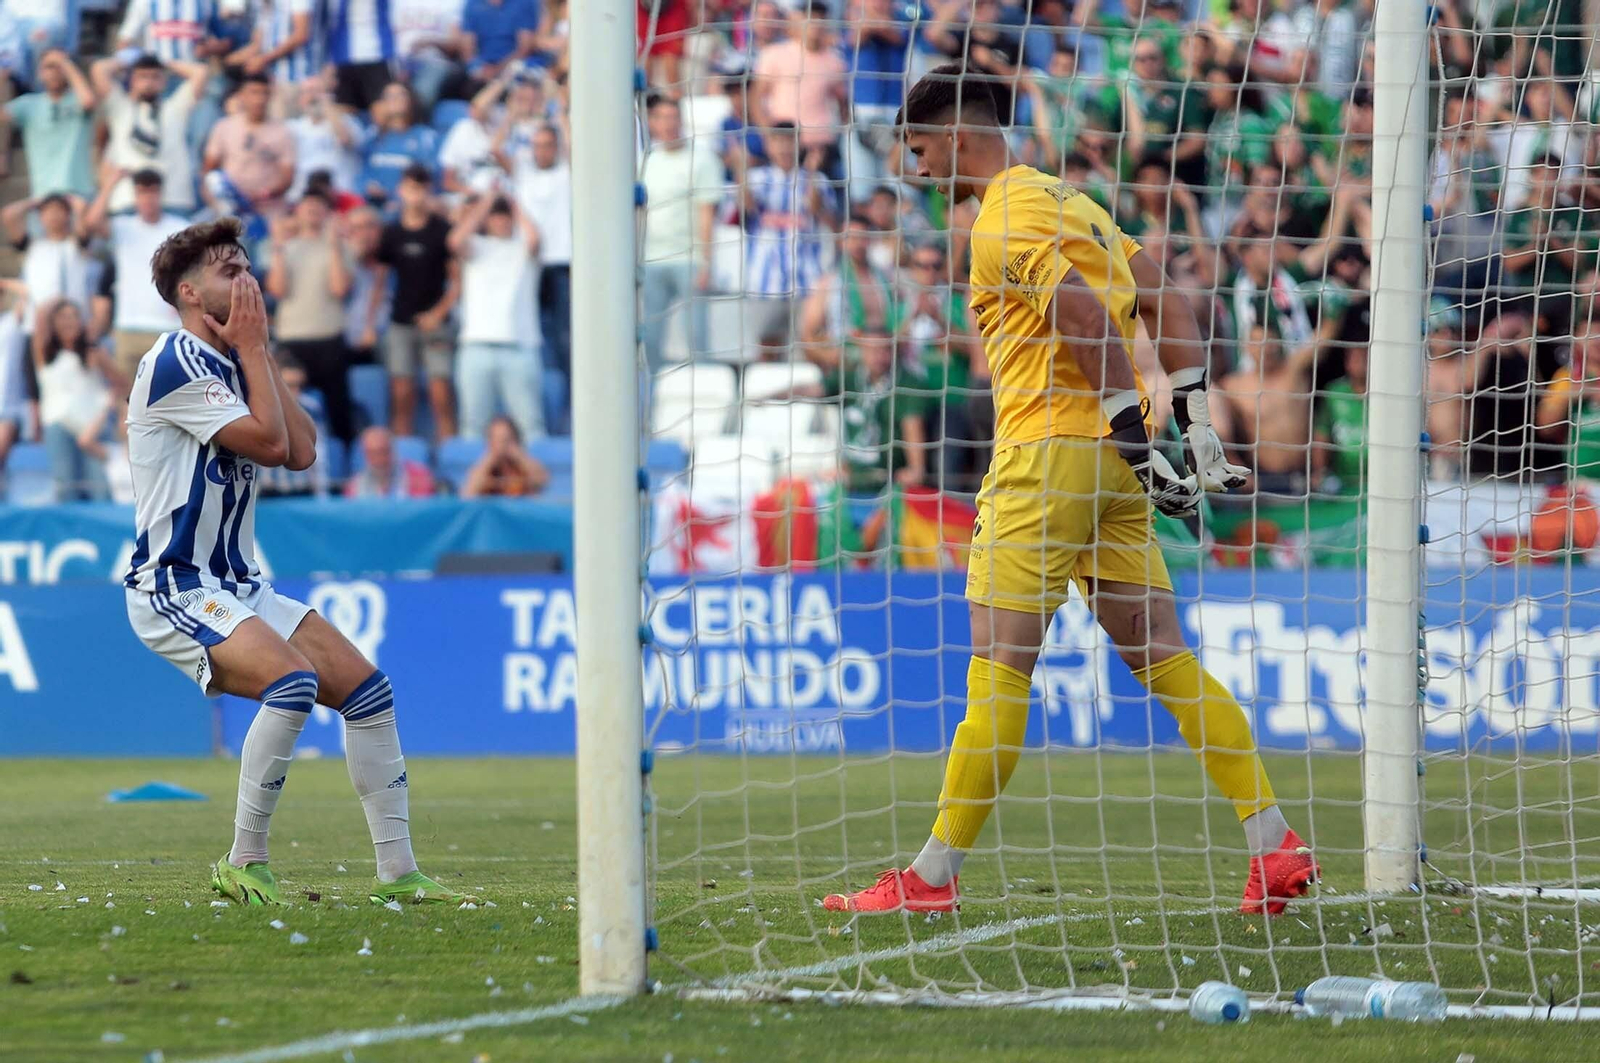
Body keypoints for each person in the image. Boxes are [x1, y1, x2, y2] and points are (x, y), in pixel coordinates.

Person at [822, 66, 1314, 917]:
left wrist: (1130, 428)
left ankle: (930, 880)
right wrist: (1186, 421)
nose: (916, 171)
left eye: (919, 151)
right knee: (1164, 654)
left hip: (1046, 459)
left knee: (998, 662)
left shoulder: (998, 223)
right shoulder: (1072, 203)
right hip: (1113, 472)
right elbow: (1169, 296)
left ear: (956, 137)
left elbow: (1084, 319)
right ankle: (1273, 843)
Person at [125, 218, 466, 906]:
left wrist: (259, 352)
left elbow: (305, 449)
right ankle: (242, 860)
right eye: (228, 269)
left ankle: (400, 877)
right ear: (189, 292)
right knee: (294, 683)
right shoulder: (175, 359)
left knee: (369, 694)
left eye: (247, 265)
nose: (245, 277)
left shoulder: (234, 360)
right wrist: (253, 348)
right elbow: (273, 446)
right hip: (176, 584)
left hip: (240, 583)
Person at [81, 168, 187, 389]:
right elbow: (91, 222)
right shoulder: (123, 226)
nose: (148, 198)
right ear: (135, 196)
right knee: (128, 403)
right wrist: (111, 183)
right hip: (128, 327)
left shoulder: (179, 228)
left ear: (160, 193)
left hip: (168, 328)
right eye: (141, 192)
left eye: (152, 192)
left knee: (170, 401)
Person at [374, 164, 459, 440]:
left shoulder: (443, 230)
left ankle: (448, 449)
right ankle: (403, 449)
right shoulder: (392, 232)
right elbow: (380, 278)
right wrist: (369, 321)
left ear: (430, 191)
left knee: (440, 389)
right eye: (411, 188)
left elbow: (458, 280)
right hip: (401, 320)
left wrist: (438, 312)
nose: (416, 195)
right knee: (401, 390)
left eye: (422, 189)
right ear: (401, 191)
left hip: (436, 322)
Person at [450, 192, 544, 440]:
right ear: (487, 220)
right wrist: (486, 203)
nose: (501, 222)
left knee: (531, 424)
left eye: (505, 218)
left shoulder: (523, 249)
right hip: (476, 346)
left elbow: (535, 239)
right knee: (472, 425)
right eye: (496, 217)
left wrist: (514, 204)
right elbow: (455, 240)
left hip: (519, 347)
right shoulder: (477, 247)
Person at [265, 190, 356, 443]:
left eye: (319, 205)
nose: (313, 210)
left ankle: (341, 468)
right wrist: (278, 247)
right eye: (308, 205)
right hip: (293, 339)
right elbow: (277, 290)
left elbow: (340, 289)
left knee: (338, 409)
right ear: (298, 211)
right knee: (287, 409)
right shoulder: (285, 248)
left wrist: (335, 245)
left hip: (329, 338)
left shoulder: (341, 248)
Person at [639, 93, 720, 372]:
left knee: (697, 336)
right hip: (652, 259)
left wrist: (706, 261)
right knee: (649, 338)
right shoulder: (644, 161)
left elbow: (706, 213)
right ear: (651, 122)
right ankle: (650, 401)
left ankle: (704, 397)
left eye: (673, 117)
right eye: (661, 117)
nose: (668, 124)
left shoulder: (702, 160)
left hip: (689, 258)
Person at [91, 52, 209, 215]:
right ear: (132, 80)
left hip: (173, 199)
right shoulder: (120, 108)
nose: (148, 82)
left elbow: (200, 72)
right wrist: (129, 60)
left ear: (163, 81)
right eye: (142, 76)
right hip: (128, 200)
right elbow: (99, 70)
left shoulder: (175, 108)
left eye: (155, 77)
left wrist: (165, 62)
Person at [515, 123, 571, 433]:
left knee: (565, 339)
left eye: (548, 144)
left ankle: (570, 406)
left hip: (561, 262)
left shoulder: (567, 174)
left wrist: (562, 112)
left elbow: (576, 152)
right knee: (529, 335)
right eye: (537, 145)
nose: (542, 151)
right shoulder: (523, 176)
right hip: (529, 266)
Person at [33, 298, 114, 501]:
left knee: (99, 489)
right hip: (58, 425)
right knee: (66, 488)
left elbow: (120, 383)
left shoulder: (94, 353)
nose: (68, 322)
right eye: (62, 318)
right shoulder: (45, 353)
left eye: (73, 317)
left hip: (91, 431)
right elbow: (39, 319)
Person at [202, 74, 297, 239]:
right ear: (242, 96)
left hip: (268, 214)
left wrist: (264, 194)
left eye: (264, 93)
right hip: (231, 211)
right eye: (254, 92)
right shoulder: (225, 127)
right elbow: (209, 169)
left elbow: (288, 178)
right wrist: (216, 200)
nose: (259, 99)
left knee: (264, 261)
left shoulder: (282, 132)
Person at [0, 48, 97, 201]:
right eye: (49, 67)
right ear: (39, 73)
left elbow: (89, 102)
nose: (54, 72)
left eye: (59, 67)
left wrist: (64, 62)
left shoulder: (78, 99)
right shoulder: (28, 104)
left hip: (79, 194)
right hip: (43, 198)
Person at [2, 193, 94, 327]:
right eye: (48, 211)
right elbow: (8, 214)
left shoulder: (76, 245)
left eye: (59, 210)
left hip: (74, 323)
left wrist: (70, 199)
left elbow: (82, 207)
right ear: (40, 216)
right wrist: (34, 202)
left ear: (68, 215)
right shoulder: (32, 246)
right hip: (38, 323)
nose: (53, 215)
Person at [359, 82, 439, 206]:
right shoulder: (372, 136)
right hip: (374, 205)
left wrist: (397, 197)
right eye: (389, 96)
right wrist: (368, 187)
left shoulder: (425, 136)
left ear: (411, 101)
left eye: (401, 95)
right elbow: (362, 171)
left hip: (409, 206)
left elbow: (430, 177)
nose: (395, 99)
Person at [461, 414, 549, 497]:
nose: (502, 444)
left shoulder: (523, 466)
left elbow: (542, 481)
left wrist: (518, 455)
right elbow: (468, 494)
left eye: (507, 439)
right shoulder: (485, 469)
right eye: (497, 440)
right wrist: (489, 459)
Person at [345, 425, 436, 497]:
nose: (378, 459)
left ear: (393, 451)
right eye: (372, 454)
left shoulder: (419, 478)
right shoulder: (355, 486)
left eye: (383, 451)